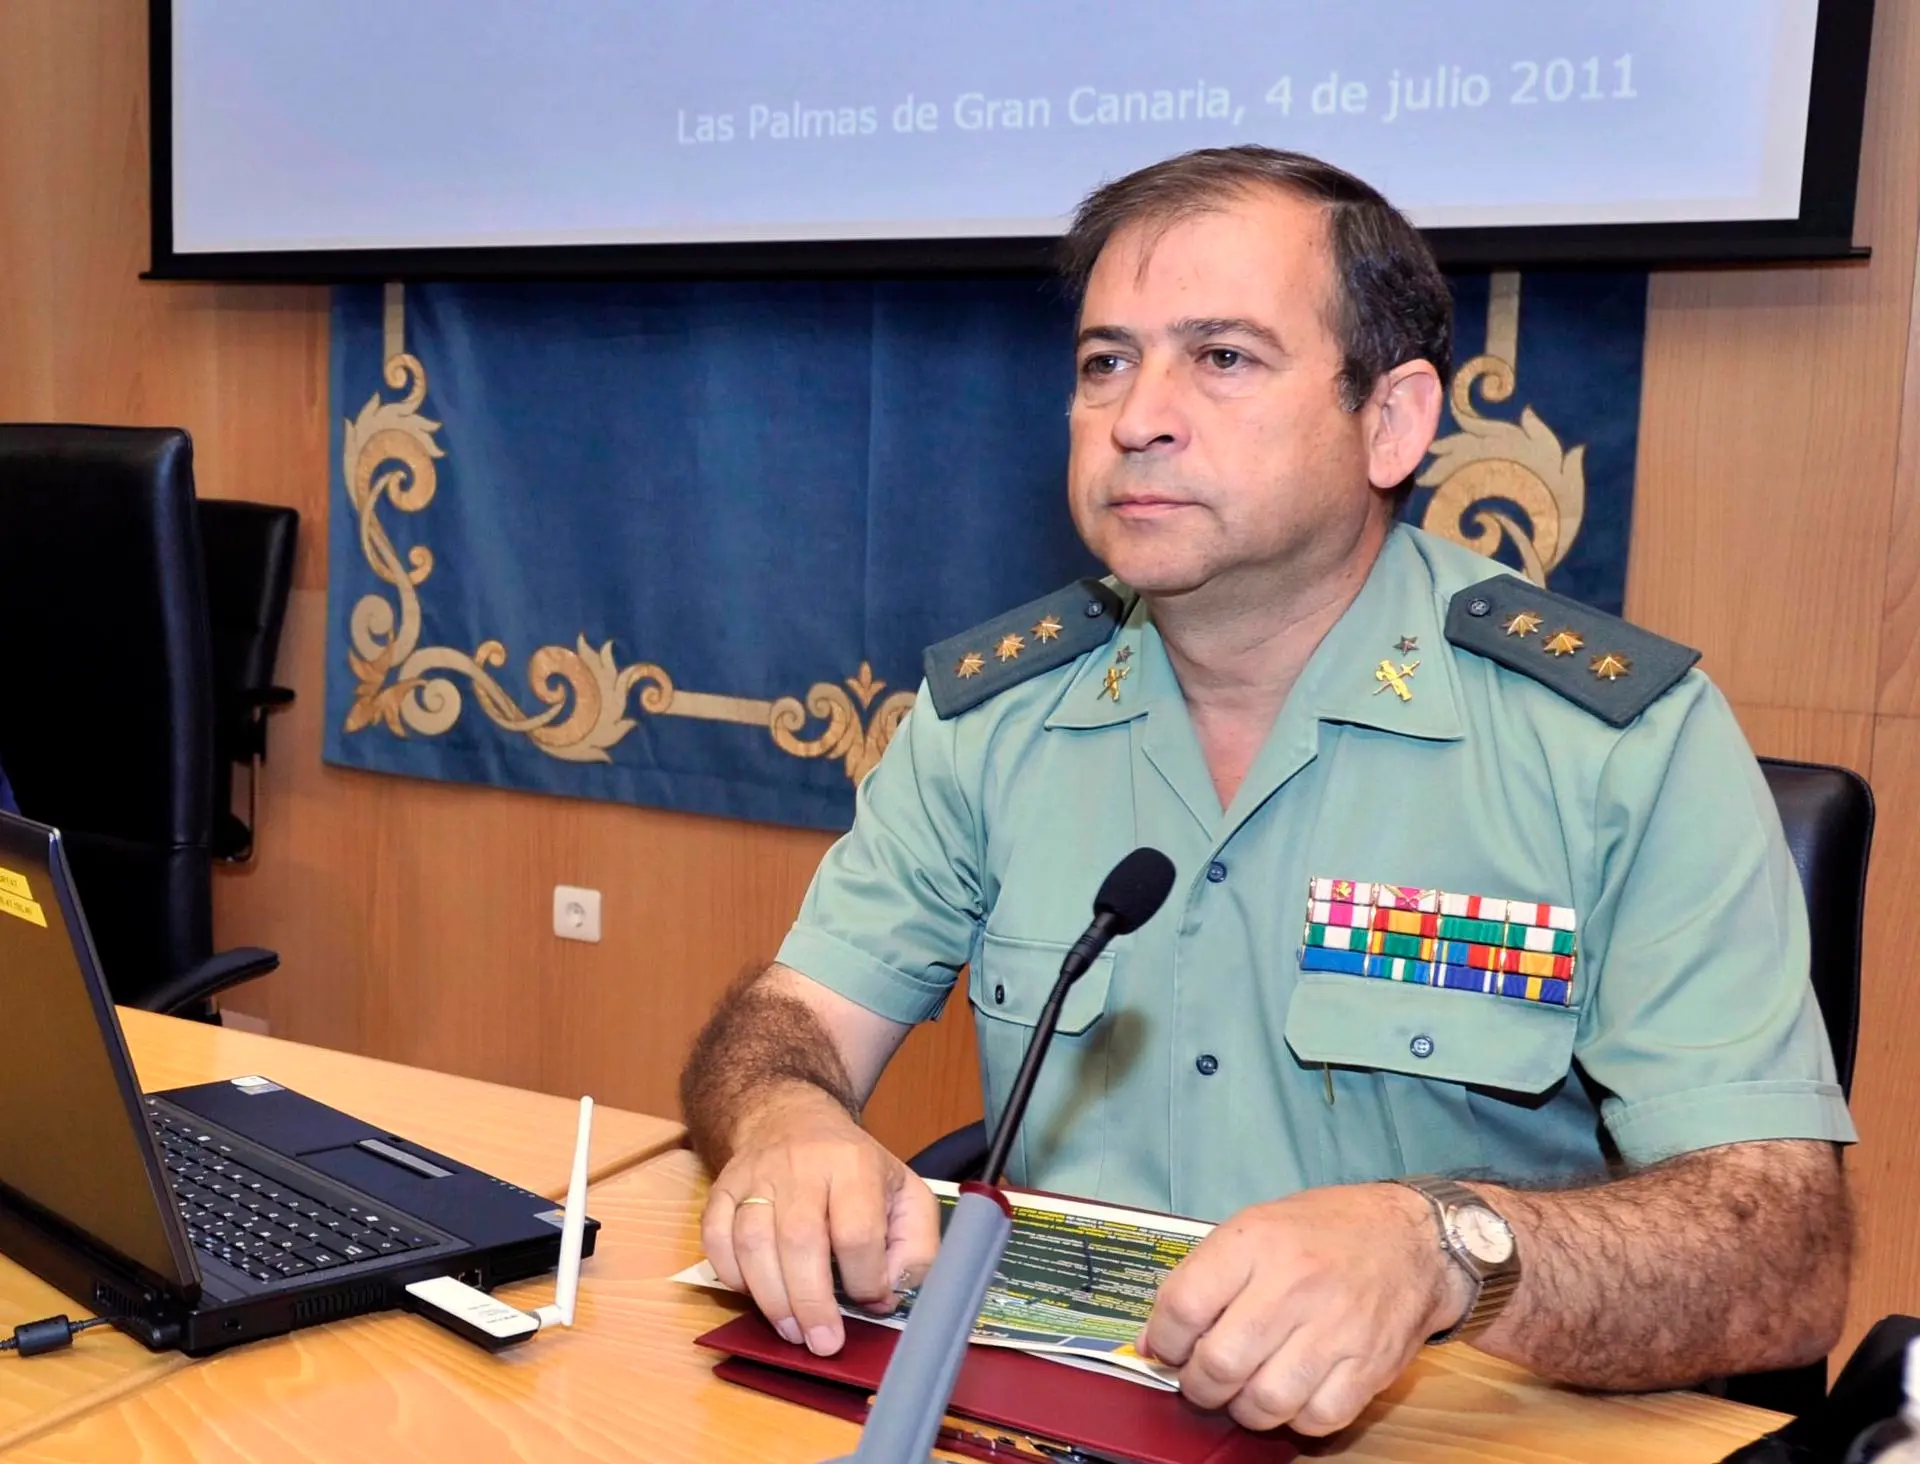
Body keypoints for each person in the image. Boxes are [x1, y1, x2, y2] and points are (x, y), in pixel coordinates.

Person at [678, 146, 1854, 1438]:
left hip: (1448, 1418)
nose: (1138, 417)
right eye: (1105, 363)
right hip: (1052, 1404)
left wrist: (1445, 1249)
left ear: (1393, 421)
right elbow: (785, 1021)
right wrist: (787, 1120)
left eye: (1223, 357)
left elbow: (1779, 1256)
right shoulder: (992, 715)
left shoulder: (1612, 741)